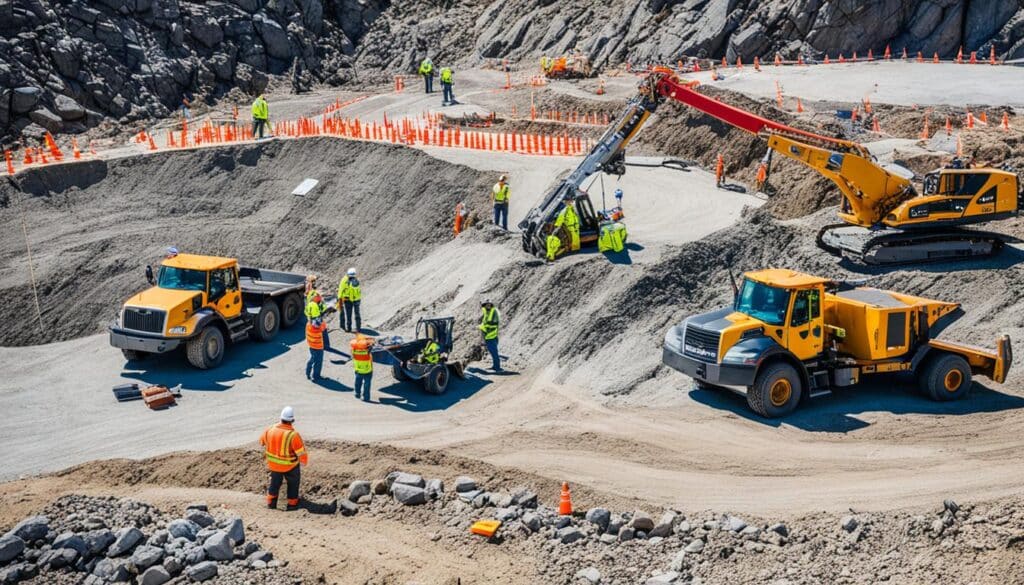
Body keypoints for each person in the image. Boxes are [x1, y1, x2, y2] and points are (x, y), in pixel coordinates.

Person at [259, 406, 308, 511]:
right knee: (293, 483)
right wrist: (303, 462)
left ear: (280, 418)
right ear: (292, 421)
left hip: (273, 465)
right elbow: (301, 454)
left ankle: (271, 503)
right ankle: (292, 504)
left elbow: (261, 442)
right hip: (289, 466)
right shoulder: (293, 435)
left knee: (274, 483)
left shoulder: (270, 429)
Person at [337, 268, 362, 333]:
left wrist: (339, 299)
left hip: (350, 300)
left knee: (350, 314)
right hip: (354, 300)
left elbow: (340, 290)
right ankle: (355, 328)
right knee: (355, 314)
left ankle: (352, 328)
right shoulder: (354, 279)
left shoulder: (345, 280)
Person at [350, 334, 373, 401]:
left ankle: (357, 393)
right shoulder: (367, 352)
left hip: (358, 370)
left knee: (358, 382)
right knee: (367, 384)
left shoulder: (354, 351)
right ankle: (366, 397)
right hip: (367, 370)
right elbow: (371, 345)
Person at [479, 300, 501, 372]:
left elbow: (491, 324)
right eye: (486, 305)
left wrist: (483, 327)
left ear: (491, 305)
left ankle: (497, 368)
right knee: (493, 352)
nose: (487, 306)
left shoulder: (493, 312)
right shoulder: (487, 313)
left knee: (494, 352)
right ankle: (495, 366)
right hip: (489, 336)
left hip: (491, 336)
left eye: (489, 304)